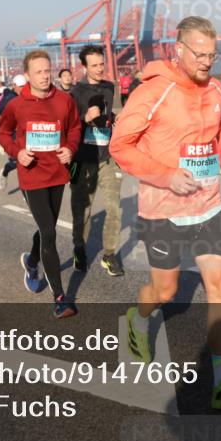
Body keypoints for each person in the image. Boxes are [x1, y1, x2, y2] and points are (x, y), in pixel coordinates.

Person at [110, 16, 221, 410]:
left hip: (206, 204)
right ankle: (139, 320)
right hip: (163, 208)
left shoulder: (217, 89)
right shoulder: (154, 90)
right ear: (179, 50)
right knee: (166, 291)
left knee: (220, 286)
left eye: (212, 54)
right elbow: (120, 146)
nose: (207, 62)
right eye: (200, 54)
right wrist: (166, 176)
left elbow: (218, 133)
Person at [0, 50, 82, 319]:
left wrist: (70, 148)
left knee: (48, 229)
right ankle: (60, 298)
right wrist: (16, 152)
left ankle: (32, 261)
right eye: (39, 72)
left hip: (57, 173)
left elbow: (75, 128)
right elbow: (2, 132)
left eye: (47, 70)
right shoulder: (16, 105)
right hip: (31, 175)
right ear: (28, 76)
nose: (45, 76)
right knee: (49, 231)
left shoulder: (64, 100)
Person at [69, 45, 123, 276]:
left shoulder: (110, 87)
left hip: (106, 157)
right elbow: (69, 126)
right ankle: (79, 248)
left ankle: (109, 255)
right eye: (95, 65)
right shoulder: (74, 93)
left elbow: (109, 115)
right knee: (84, 210)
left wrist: (114, 119)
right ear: (84, 67)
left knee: (115, 209)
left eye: (102, 64)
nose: (100, 69)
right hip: (83, 159)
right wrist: (85, 118)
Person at [0, 75, 27, 191]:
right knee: (17, 162)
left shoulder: (30, 96)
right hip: (13, 134)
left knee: (29, 161)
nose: (23, 89)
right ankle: (5, 171)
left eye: (25, 86)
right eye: (21, 87)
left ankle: (28, 191)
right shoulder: (8, 98)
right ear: (14, 86)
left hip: (28, 134)